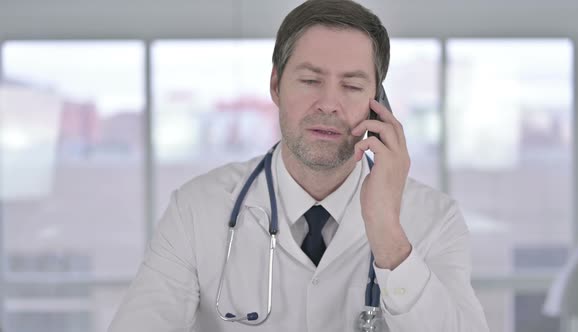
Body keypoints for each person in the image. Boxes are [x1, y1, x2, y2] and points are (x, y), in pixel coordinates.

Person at [109, 0, 489, 331]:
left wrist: (388, 234)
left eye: (352, 87)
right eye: (310, 80)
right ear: (276, 86)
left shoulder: (434, 219)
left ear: (379, 102)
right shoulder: (196, 210)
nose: (328, 103)